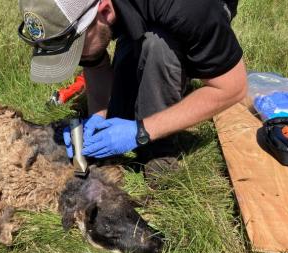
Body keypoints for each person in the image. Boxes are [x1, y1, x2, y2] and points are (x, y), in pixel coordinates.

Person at [17, 0, 247, 161]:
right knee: (122, 87)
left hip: (199, 10)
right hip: (142, 10)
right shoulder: (92, 15)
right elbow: (94, 62)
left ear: (104, 10)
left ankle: (158, 152)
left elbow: (232, 88)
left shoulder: (189, 9)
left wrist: (142, 131)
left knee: (158, 46)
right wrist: (97, 118)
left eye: (77, 51)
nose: (78, 60)